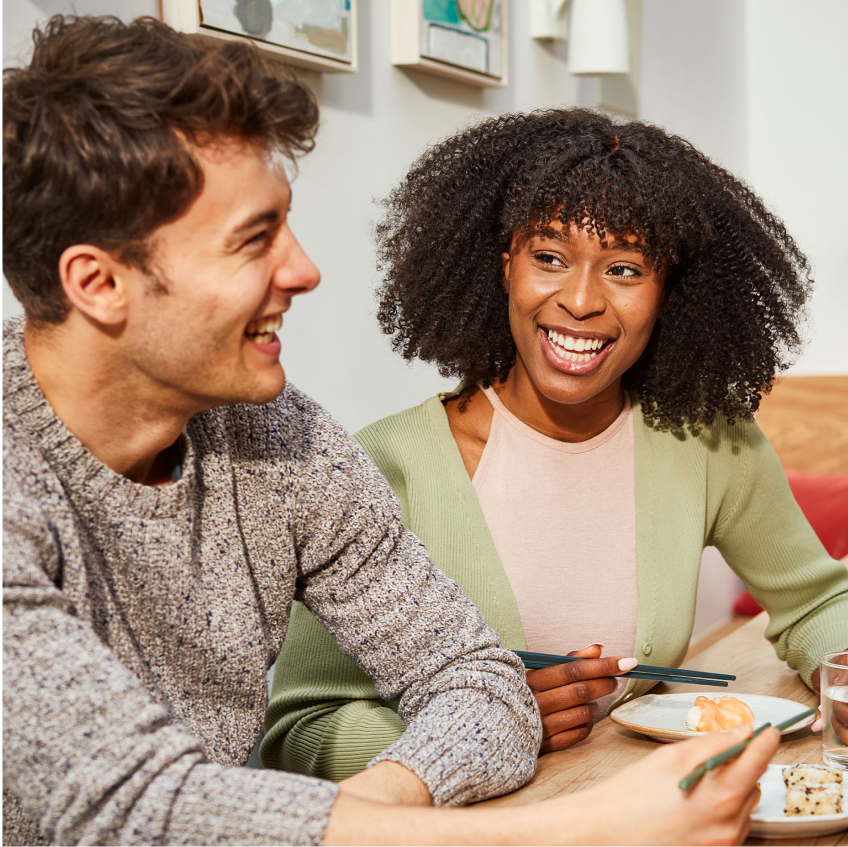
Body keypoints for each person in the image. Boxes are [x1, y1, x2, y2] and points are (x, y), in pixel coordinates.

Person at [1, 15, 783, 847]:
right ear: (98, 282)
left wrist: (384, 800)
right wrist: (583, 827)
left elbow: (479, 680)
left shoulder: (282, 439)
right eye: (254, 241)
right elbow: (138, 806)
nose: (304, 270)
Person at [264, 109, 848, 778]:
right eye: (549, 257)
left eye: (625, 268)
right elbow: (301, 730)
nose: (580, 299)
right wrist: (483, 729)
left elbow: (818, 601)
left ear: (668, 291)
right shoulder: (384, 467)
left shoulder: (707, 440)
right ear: (505, 263)